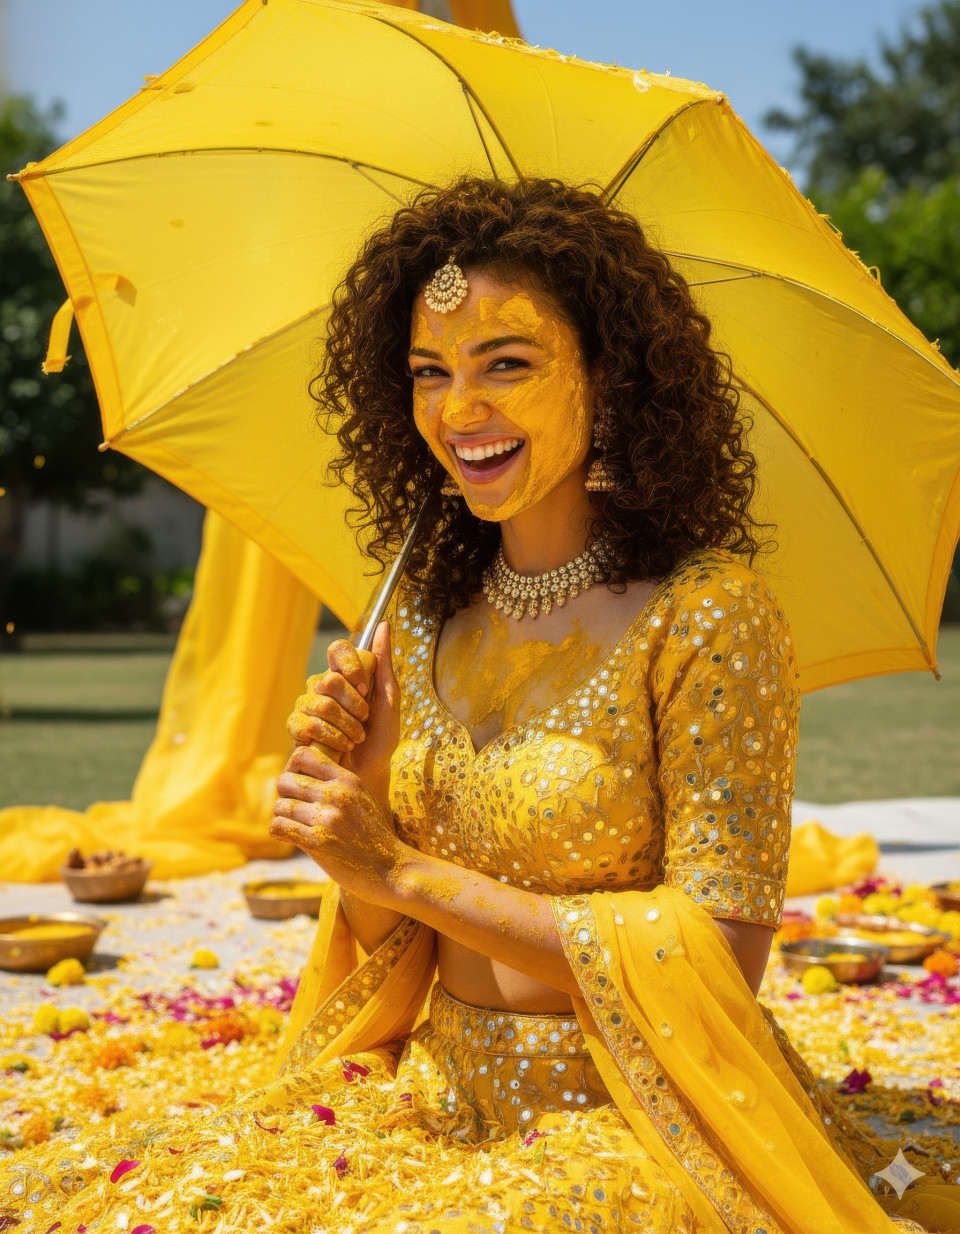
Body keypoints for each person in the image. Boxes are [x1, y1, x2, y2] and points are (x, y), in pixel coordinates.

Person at [4, 178, 953, 1233]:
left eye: (507, 363)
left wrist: (403, 866)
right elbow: (387, 932)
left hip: (636, 1119)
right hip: (426, 1097)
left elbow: (718, 963)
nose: (459, 412)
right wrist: (351, 824)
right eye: (429, 372)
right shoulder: (420, 612)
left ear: (614, 379)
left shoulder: (710, 617)